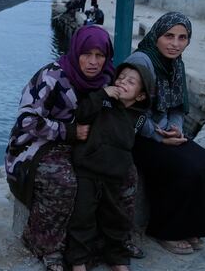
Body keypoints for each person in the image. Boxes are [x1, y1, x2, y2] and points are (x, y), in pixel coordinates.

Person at [5, 26, 123, 271]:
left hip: (82, 143)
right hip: (35, 146)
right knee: (63, 181)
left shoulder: (108, 78)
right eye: (86, 54)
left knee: (123, 171)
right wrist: (68, 131)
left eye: (100, 55)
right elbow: (26, 120)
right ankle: (46, 245)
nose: (93, 62)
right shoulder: (52, 77)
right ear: (76, 51)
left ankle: (114, 241)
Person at [130, 12, 205, 255]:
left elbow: (177, 107)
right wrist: (158, 136)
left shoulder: (176, 64)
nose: (175, 44)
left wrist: (175, 128)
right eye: (169, 36)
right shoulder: (141, 62)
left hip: (164, 132)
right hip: (137, 136)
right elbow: (130, 112)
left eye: (182, 38)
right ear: (156, 36)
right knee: (183, 168)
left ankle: (192, 227)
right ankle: (165, 231)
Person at [65, 55, 156, 271]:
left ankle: (117, 258)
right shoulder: (102, 101)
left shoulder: (138, 117)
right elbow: (82, 113)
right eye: (121, 78)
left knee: (116, 219)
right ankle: (78, 261)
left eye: (130, 82)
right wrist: (101, 95)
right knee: (82, 217)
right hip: (88, 169)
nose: (123, 82)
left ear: (140, 95)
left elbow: (129, 139)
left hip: (115, 174)